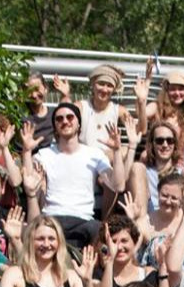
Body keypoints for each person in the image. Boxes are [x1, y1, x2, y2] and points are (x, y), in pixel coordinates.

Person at [34, 102, 121, 249]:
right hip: (52, 218)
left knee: (100, 233)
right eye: (59, 119)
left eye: (70, 117)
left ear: (79, 124)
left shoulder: (94, 154)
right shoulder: (44, 154)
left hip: (84, 220)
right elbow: (26, 180)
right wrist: (25, 152)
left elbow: (117, 185)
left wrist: (117, 151)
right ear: (54, 126)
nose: (65, 121)